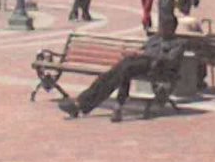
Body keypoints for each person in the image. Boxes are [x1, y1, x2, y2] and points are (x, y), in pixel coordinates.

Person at [57, 18, 185, 122]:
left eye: (165, 26)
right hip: (138, 63)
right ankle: (83, 103)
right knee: (109, 76)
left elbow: (170, 60)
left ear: (172, 28)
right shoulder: (155, 39)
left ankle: (86, 104)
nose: (161, 29)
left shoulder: (178, 43)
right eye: (161, 26)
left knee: (124, 70)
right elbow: (143, 48)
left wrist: (148, 55)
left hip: (154, 67)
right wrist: (136, 52)